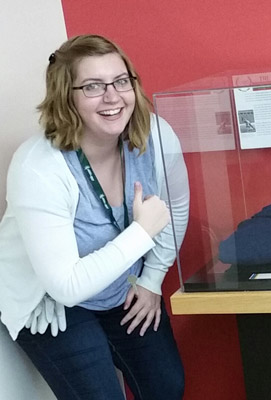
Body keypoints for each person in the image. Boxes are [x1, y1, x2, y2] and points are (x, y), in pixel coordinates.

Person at [0, 34, 189, 400]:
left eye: (121, 81)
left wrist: (151, 280)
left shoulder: (156, 136)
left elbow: (175, 207)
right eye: (92, 86)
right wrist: (142, 232)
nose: (113, 97)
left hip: (121, 284)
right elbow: (66, 286)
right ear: (65, 97)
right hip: (51, 300)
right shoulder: (38, 166)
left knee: (166, 387)